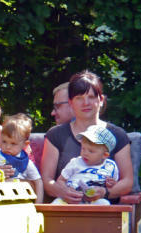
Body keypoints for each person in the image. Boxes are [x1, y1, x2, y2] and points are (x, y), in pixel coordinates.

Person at [40, 70, 133, 204]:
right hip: (65, 206)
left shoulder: (118, 135)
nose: (86, 103)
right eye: (79, 98)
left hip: (104, 210)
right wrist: (63, 192)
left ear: (101, 100)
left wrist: (105, 193)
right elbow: (47, 181)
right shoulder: (55, 135)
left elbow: (127, 182)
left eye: (91, 97)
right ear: (71, 103)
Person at [50, 124, 118, 205]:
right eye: (83, 148)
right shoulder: (75, 162)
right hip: (70, 199)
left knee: (104, 204)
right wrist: (65, 191)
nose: (85, 153)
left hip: (94, 200)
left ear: (105, 155)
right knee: (56, 203)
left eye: (91, 151)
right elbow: (60, 180)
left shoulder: (110, 166)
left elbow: (113, 185)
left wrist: (111, 184)